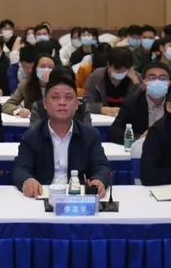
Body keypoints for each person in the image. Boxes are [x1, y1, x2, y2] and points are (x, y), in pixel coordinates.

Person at [11, 70, 112, 199]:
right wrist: (27, 180)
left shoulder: (90, 135)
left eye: (69, 98)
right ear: (45, 104)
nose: (62, 102)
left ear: (77, 104)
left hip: (77, 197)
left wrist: (99, 179)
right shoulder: (31, 137)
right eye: (55, 98)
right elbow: (20, 168)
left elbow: (102, 167)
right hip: (42, 195)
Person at [106, 62, 170, 144]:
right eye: (152, 78)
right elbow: (114, 132)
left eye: (162, 78)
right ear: (144, 82)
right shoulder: (132, 103)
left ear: (169, 82)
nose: (157, 82)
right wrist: (138, 140)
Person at [82, 46, 143, 116]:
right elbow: (85, 104)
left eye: (125, 69)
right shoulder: (96, 77)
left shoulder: (136, 78)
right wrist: (102, 109)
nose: (121, 72)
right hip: (103, 118)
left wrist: (137, 83)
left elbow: (144, 104)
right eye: (117, 69)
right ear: (108, 64)